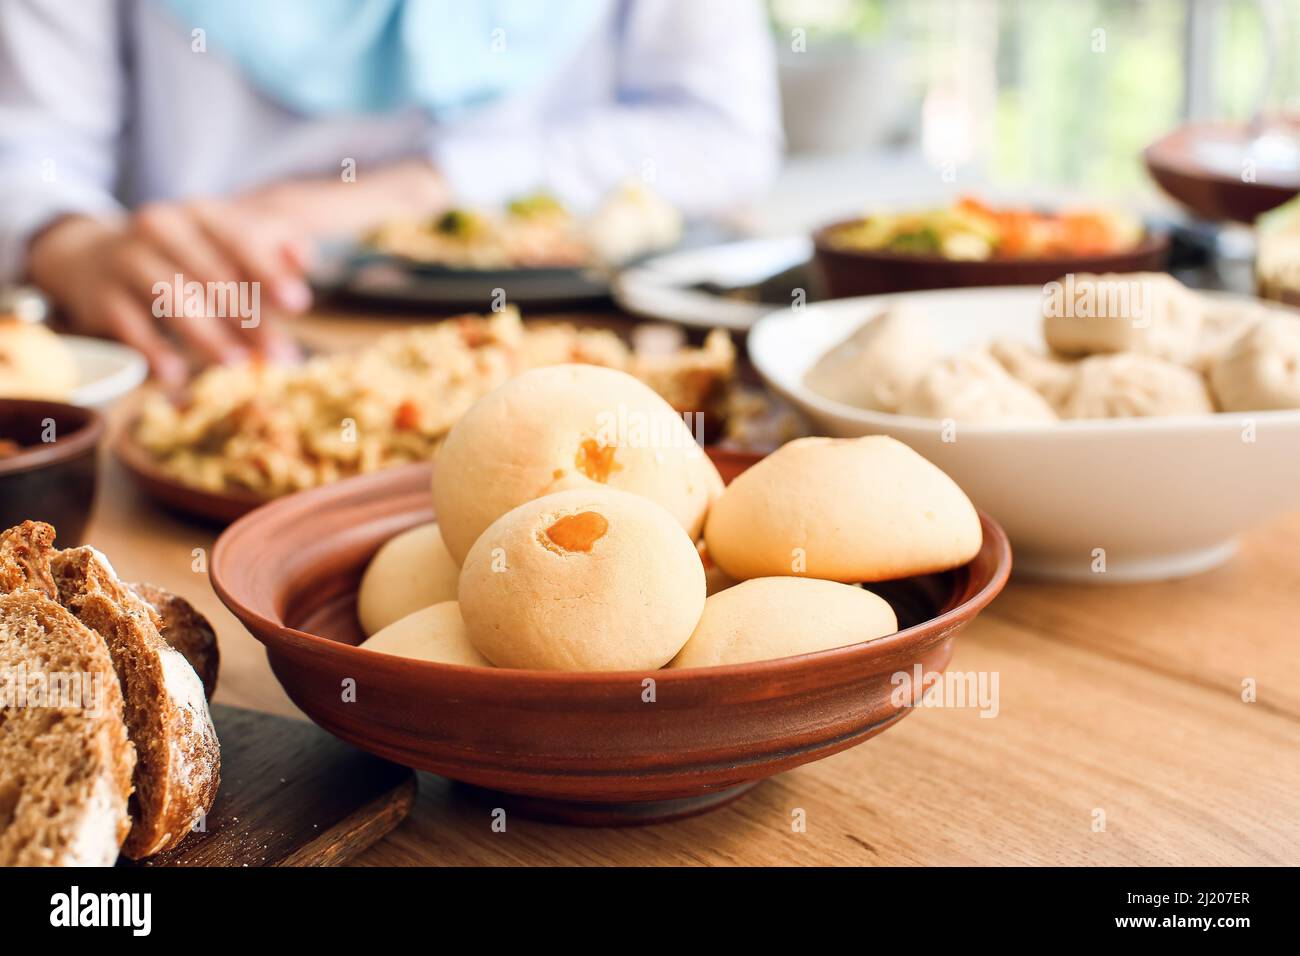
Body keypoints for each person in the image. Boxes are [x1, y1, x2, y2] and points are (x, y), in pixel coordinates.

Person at [0, 0, 780, 382]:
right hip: (219, 353)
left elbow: (720, 135)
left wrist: (423, 191)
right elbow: (31, 150)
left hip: (582, 352)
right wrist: (66, 239)